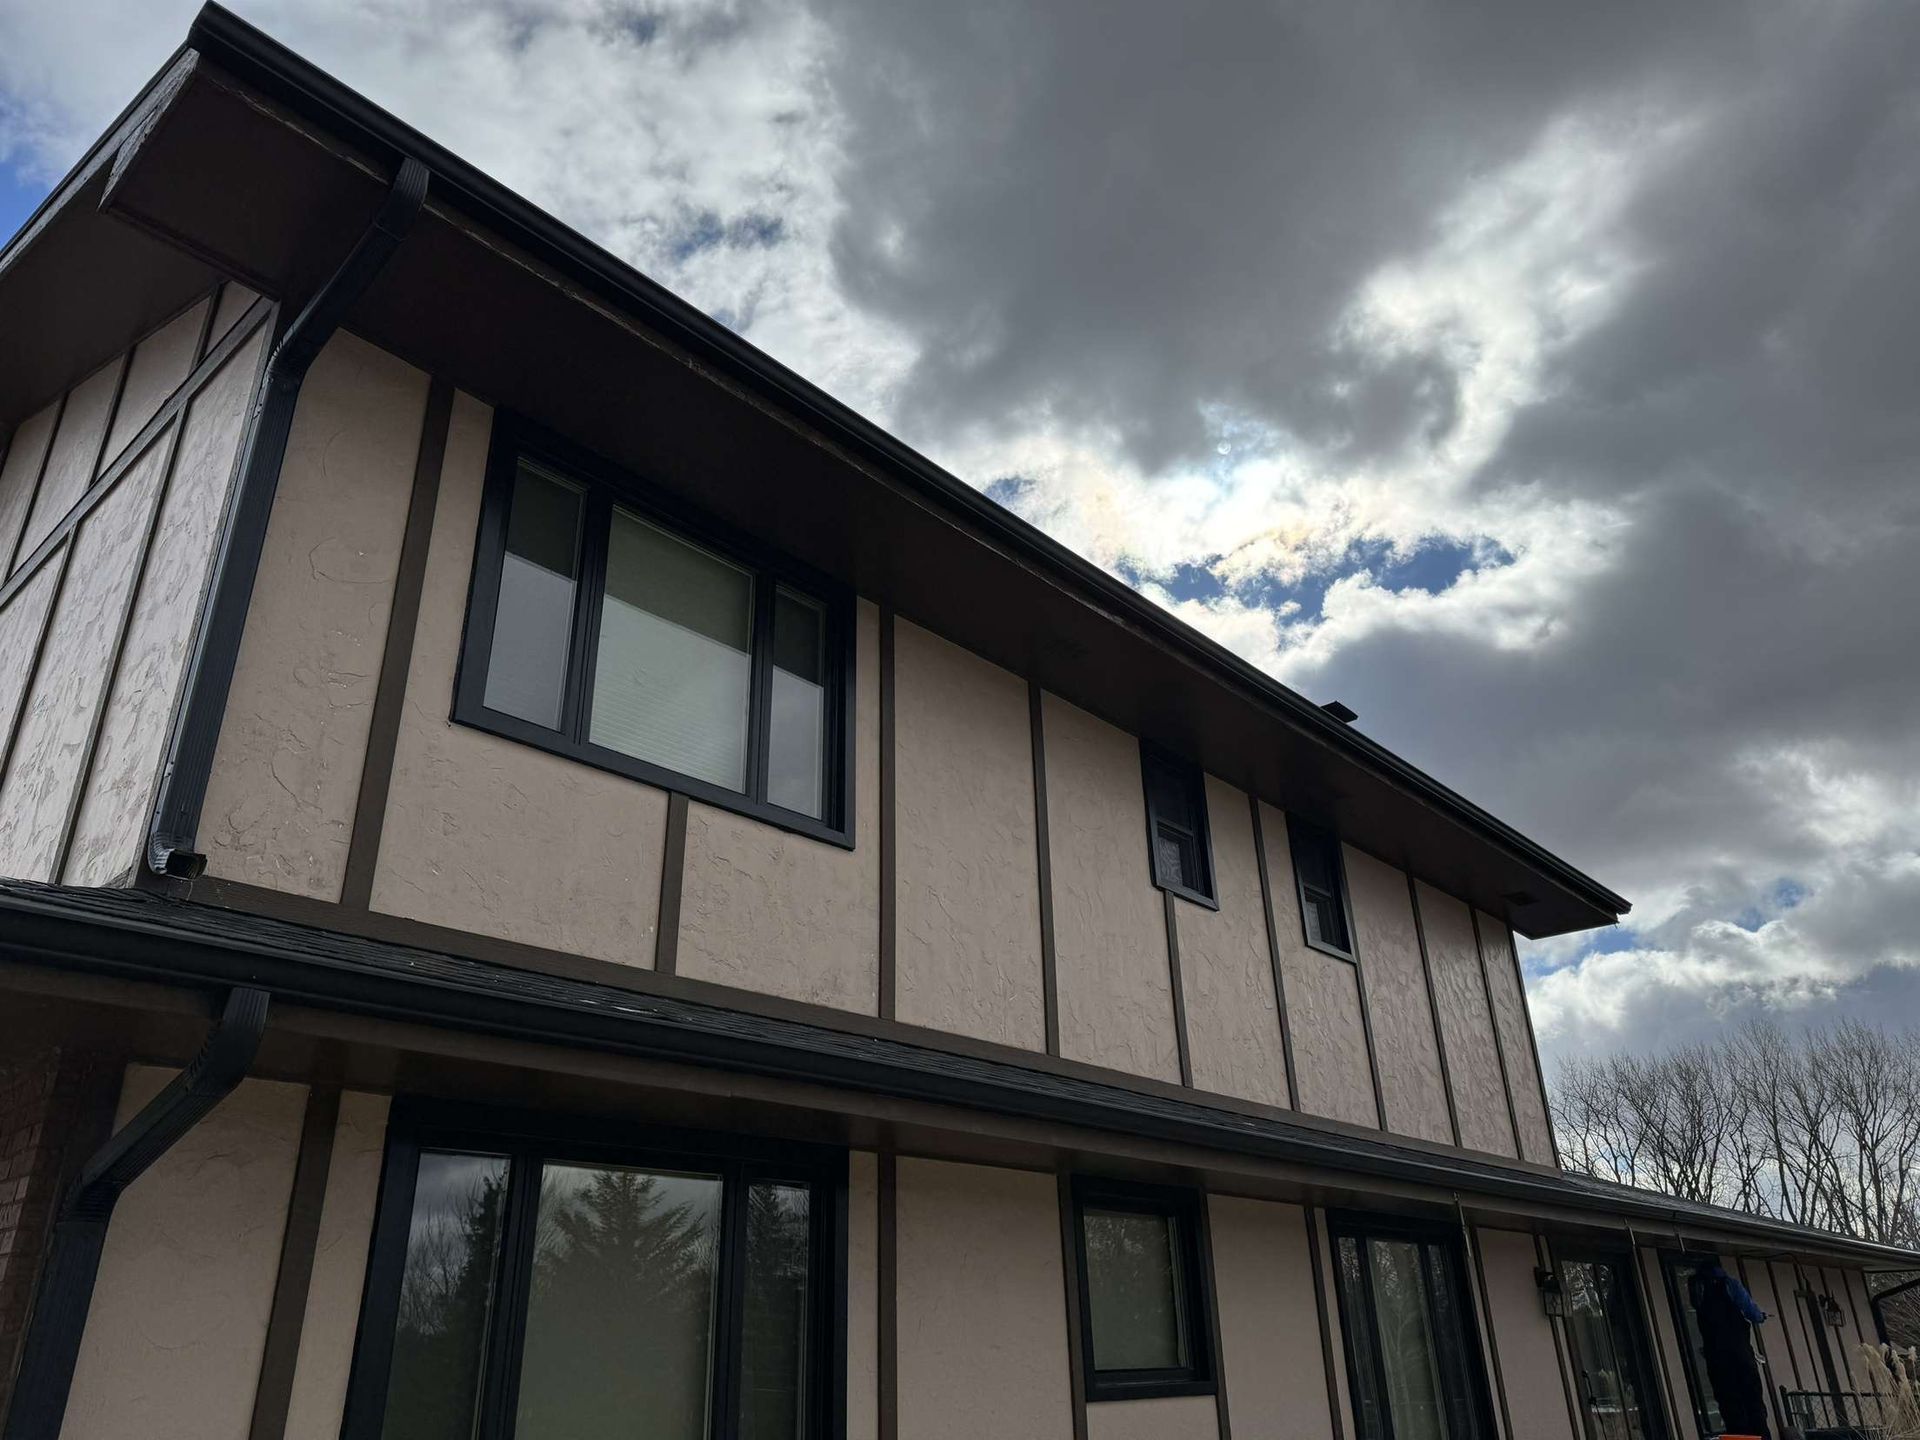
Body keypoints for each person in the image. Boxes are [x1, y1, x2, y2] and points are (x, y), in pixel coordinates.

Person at [1689, 1261, 1772, 1439]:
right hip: (1741, 1355)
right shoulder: (1730, 1284)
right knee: (1753, 1402)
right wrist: (1761, 1316)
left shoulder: (1696, 1287)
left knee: (1729, 1405)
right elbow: (1751, 1312)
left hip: (1716, 1359)